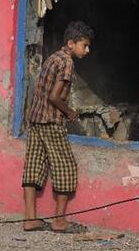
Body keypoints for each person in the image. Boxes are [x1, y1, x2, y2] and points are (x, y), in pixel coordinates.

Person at [21, 20, 93, 233]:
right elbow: (54, 97)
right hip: (51, 121)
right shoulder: (67, 62)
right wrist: (69, 111)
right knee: (66, 168)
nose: (87, 50)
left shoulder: (53, 57)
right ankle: (59, 220)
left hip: (35, 120)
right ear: (71, 43)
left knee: (33, 168)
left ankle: (30, 219)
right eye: (84, 45)